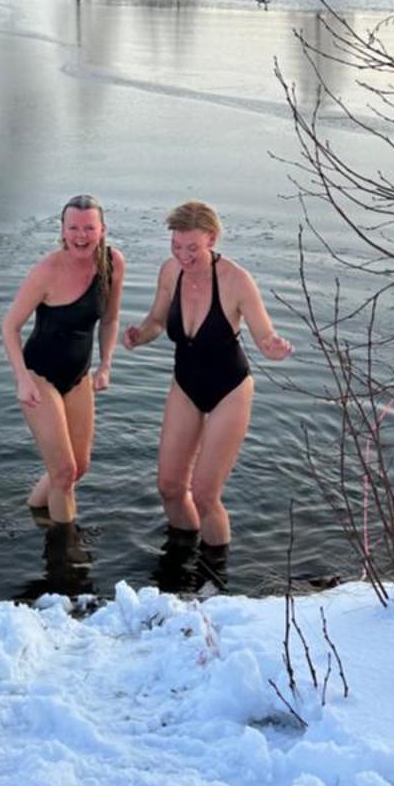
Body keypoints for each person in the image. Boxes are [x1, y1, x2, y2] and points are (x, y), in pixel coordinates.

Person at [122, 200, 292, 546]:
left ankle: (216, 577)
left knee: (204, 494)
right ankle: (182, 556)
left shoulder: (236, 280)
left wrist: (273, 348)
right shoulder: (170, 272)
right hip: (186, 384)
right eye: (176, 246)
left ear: (211, 239)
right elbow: (156, 321)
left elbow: (264, 336)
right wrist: (139, 336)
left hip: (229, 389)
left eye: (192, 248)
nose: (183, 255)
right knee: (169, 488)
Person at [2, 195, 125, 524]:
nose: (81, 236)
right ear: (63, 230)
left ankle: (35, 510)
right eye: (73, 228)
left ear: (102, 230)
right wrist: (22, 379)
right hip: (39, 376)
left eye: (88, 228)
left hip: (78, 375)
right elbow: (9, 326)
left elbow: (111, 319)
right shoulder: (47, 271)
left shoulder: (113, 264)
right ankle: (66, 557)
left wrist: (105, 365)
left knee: (77, 468)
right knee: (64, 472)